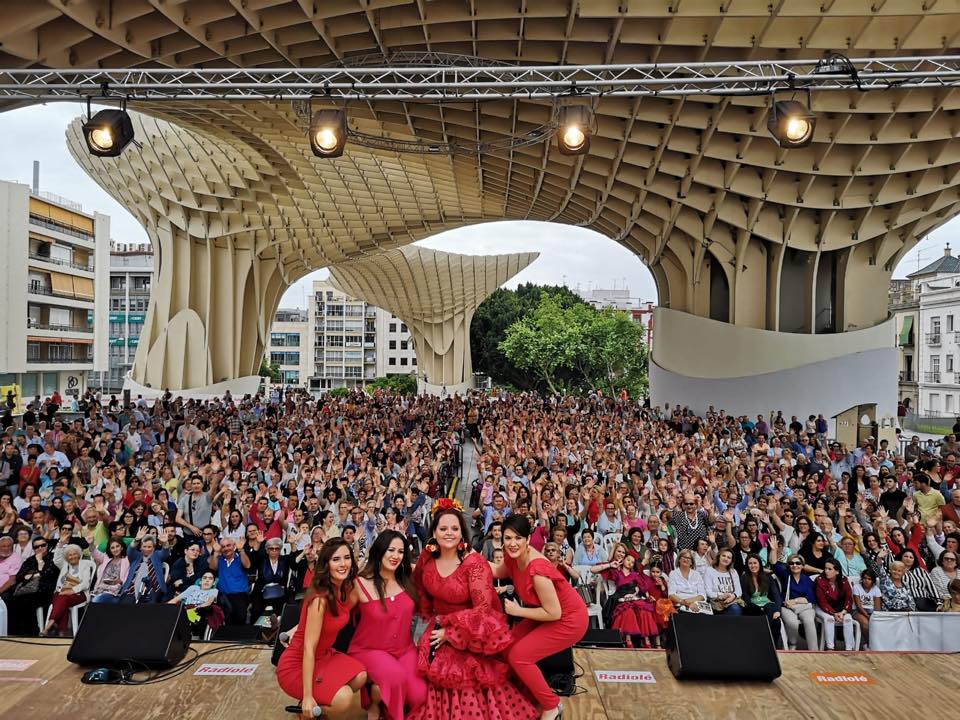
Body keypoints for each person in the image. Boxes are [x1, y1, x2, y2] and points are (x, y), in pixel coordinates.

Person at [409, 499, 537, 720]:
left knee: (467, 687)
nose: (449, 533)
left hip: (470, 635)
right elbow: (418, 587)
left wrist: (450, 633)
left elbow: (483, 609)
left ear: (462, 533)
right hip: (437, 630)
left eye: (455, 528)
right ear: (434, 532)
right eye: (443, 528)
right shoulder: (426, 558)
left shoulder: (474, 563)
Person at [497, 515, 589, 720]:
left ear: (528, 539)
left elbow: (554, 612)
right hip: (546, 613)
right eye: (508, 538)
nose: (512, 543)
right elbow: (495, 570)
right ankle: (527, 697)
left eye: (518, 538)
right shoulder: (512, 557)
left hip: (569, 619)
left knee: (519, 656)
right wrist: (464, 556)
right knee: (507, 646)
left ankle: (552, 706)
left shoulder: (537, 568)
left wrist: (517, 611)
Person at [276, 538, 368, 718]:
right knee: (344, 698)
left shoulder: (345, 588)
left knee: (360, 676)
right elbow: (309, 649)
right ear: (326, 564)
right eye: (336, 559)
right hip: (298, 663)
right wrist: (308, 696)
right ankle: (306, 709)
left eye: (347, 558)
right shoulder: (319, 599)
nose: (343, 564)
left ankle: (321, 698)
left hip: (324, 655)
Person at [349, 530, 426, 720]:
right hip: (369, 650)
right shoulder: (359, 583)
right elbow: (334, 613)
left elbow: (434, 570)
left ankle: (380, 703)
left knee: (419, 695)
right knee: (395, 678)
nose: (395, 556)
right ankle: (384, 707)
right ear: (380, 551)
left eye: (400, 552)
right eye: (391, 550)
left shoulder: (407, 580)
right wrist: (297, 628)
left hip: (405, 650)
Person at [40, 542, 95, 636]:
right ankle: (61, 632)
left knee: (63, 599)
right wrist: (60, 545)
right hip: (61, 592)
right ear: (66, 557)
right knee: (62, 600)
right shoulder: (64, 565)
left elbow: (86, 584)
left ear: (79, 555)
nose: (72, 557)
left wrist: (72, 591)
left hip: (79, 594)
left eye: (75, 554)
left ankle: (48, 627)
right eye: (70, 555)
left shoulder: (84, 566)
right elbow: (56, 559)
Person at [8, 536, 58, 635]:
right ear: (33, 549)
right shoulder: (30, 560)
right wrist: (34, 574)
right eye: (36, 547)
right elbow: (20, 576)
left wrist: (39, 564)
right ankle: (14, 632)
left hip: (46, 591)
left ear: (47, 546)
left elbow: (47, 575)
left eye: (42, 545)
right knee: (11, 599)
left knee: (27, 600)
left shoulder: (53, 558)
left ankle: (32, 631)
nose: (40, 548)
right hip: (28, 590)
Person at [770, 548, 818, 650]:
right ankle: (792, 644)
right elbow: (774, 565)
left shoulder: (807, 579)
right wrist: (774, 550)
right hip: (787, 607)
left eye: (798, 563)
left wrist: (795, 601)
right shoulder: (785, 575)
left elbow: (811, 597)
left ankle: (814, 650)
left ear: (802, 565)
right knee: (793, 623)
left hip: (803, 607)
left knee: (809, 621)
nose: (795, 565)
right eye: (791, 563)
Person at [740, 554, 782, 648]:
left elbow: (776, 595)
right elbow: (745, 597)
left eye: (755, 563)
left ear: (759, 564)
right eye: (750, 563)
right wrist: (760, 609)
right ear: (747, 565)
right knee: (772, 619)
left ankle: (772, 647)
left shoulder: (768, 577)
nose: (753, 565)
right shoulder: (744, 578)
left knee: (775, 619)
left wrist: (778, 610)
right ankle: (765, 644)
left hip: (767, 606)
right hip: (753, 607)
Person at [814, 558, 856, 651]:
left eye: (830, 569)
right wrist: (834, 613)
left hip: (841, 608)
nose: (826, 571)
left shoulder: (844, 580)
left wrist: (843, 612)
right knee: (829, 619)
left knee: (848, 619)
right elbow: (822, 602)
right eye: (825, 568)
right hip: (823, 608)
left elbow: (849, 598)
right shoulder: (819, 580)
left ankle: (849, 649)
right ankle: (830, 647)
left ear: (837, 571)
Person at [703, 548, 742, 615]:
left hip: (731, 602)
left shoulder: (733, 572)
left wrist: (733, 596)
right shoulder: (709, 570)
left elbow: (739, 591)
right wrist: (721, 595)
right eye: (723, 556)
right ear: (719, 557)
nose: (726, 559)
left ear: (731, 561)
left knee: (735, 609)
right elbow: (707, 591)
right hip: (715, 603)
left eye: (729, 557)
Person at [851, 569, 881, 649]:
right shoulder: (856, 587)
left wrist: (873, 617)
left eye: (869, 579)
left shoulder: (876, 590)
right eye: (864, 578)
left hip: (872, 613)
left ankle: (873, 644)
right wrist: (868, 616)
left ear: (873, 580)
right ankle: (870, 644)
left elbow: (877, 608)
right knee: (866, 624)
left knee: (877, 625)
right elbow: (858, 606)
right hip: (858, 611)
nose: (866, 581)